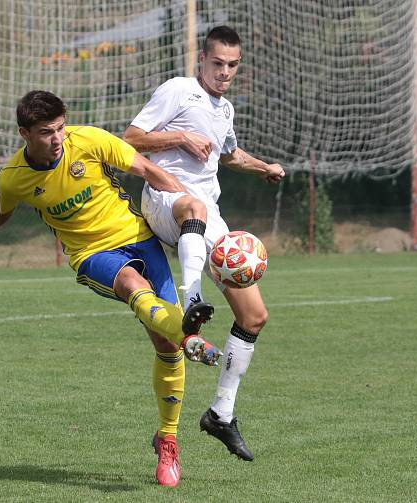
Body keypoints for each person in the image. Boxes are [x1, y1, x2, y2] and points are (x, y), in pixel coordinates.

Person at [0, 90, 219, 487]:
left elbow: (146, 169)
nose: (57, 138)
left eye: (60, 128)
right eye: (46, 132)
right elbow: (0, 209)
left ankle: (167, 438)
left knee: (165, 344)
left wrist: (190, 203)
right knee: (132, 286)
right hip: (91, 254)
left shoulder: (89, 141)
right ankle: (189, 336)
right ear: (25, 133)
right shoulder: (15, 177)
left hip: (139, 237)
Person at [123, 25, 285, 462]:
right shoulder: (179, 90)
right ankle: (190, 298)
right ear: (202, 60)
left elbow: (228, 154)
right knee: (192, 204)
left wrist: (263, 166)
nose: (225, 72)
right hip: (165, 196)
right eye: (218, 64)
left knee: (254, 316)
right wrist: (179, 137)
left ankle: (220, 414)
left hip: (205, 213)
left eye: (232, 65)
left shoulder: (225, 108)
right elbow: (129, 139)